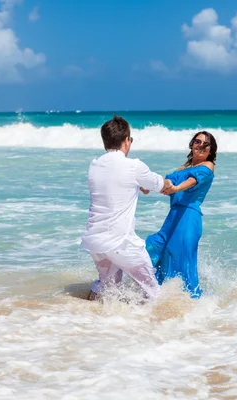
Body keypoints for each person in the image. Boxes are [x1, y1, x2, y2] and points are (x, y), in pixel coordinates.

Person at [81, 115, 173, 301]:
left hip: (96, 242)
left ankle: (84, 317)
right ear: (126, 140)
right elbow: (160, 185)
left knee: (106, 288)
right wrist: (170, 184)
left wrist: (138, 185)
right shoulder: (134, 166)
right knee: (154, 292)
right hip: (121, 243)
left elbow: (114, 183)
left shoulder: (95, 165)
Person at [143, 131, 217, 299]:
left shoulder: (207, 166)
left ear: (211, 151)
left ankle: (189, 303)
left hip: (188, 218)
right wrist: (148, 185)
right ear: (192, 144)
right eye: (198, 142)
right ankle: (156, 295)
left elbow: (192, 181)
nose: (201, 146)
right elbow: (166, 183)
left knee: (179, 257)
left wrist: (176, 188)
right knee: (152, 246)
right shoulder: (181, 169)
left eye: (206, 144)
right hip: (173, 217)